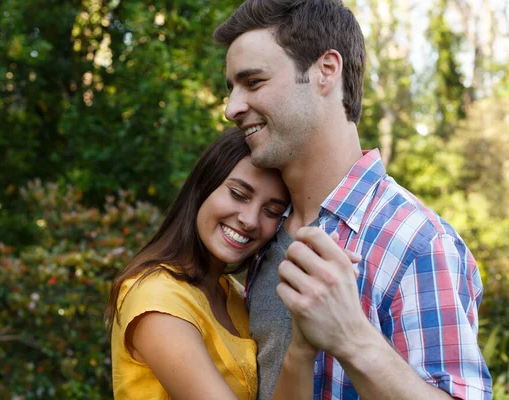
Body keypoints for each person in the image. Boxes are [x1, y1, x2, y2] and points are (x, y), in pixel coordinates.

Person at [214, 1, 492, 399]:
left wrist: (353, 339)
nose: (231, 108)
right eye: (232, 89)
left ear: (325, 71)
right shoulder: (261, 233)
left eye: (253, 82)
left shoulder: (419, 242)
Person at [107, 127, 351, 399]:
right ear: (203, 186)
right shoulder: (157, 300)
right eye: (238, 194)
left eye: (271, 211)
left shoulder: (232, 293)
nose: (250, 220)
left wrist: (302, 347)